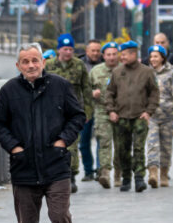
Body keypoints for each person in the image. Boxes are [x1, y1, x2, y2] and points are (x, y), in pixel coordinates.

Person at [0, 43, 86, 223]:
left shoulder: (60, 86)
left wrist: (62, 141)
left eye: (35, 60)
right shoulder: (9, 91)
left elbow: (78, 116)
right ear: (18, 66)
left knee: (60, 219)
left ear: (43, 62)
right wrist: (15, 148)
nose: (31, 65)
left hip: (56, 167)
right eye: (25, 61)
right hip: (24, 170)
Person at [106, 40, 159, 192]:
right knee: (122, 149)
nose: (121, 57)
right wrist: (111, 110)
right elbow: (109, 93)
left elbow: (154, 93)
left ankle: (139, 178)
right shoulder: (117, 72)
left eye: (124, 54)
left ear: (133, 54)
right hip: (121, 117)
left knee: (138, 148)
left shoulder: (147, 72)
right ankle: (126, 178)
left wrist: (149, 111)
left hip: (139, 117)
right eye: (121, 54)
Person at [45, 34, 93, 192]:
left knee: (72, 146)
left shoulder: (79, 66)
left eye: (71, 49)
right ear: (58, 49)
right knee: (53, 145)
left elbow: (86, 89)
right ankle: (55, 177)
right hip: (52, 113)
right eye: (65, 49)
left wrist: (87, 111)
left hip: (73, 113)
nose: (68, 52)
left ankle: (71, 176)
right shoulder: (49, 66)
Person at [146, 43, 173, 188]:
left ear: (162, 58)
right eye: (151, 57)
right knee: (152, 145)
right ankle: (153, 174)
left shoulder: (172, 73)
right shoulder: (146, 73)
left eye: (156, 56)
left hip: (168, 117)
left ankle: (164, 173)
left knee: (166, 148)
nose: (153, 59)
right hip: (151, 117)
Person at [90, 41, 120, 189]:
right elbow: (85, 89)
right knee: (104, 142)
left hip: (122, 111)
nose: (112, 57)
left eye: (114, 54)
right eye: (108, 54)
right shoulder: (96, 71)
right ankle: (105, 173)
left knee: (121, 144)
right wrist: (92, 93)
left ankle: (119, 174)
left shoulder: (124, 70)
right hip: (101, 111)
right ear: (103, 56)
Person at [77, 39, 103, 182]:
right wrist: (89, 94)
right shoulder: (79, 65)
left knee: (101, 140)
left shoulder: (105, 65)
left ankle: (100, 170)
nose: (95, 53)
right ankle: (88, 170)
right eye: (92, 50)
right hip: (84, 109)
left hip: (100, 108)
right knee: (84, 141)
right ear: (87, 51)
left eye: (98, 50)